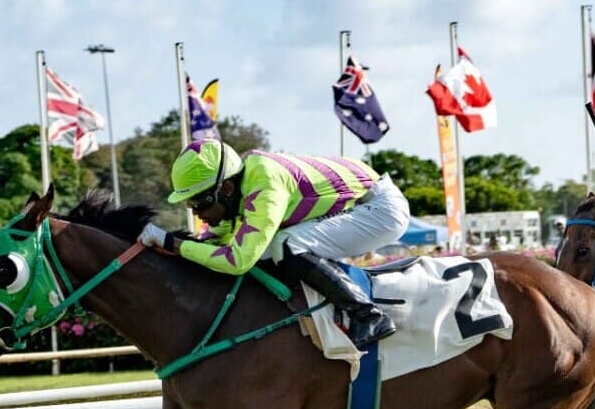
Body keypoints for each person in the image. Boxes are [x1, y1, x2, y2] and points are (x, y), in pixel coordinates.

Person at [139, 139, 409, 345]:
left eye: (200, 202)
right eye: (189, 203)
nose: (197, 212)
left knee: (285, 243)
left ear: (227, 189)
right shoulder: (241, 189)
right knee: (274, 247)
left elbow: (237, 261)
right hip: (359, 206)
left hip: (381, 209)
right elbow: (212, 242)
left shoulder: (265, 184)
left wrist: (175, 244)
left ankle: (368, 315)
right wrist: (175, 246)